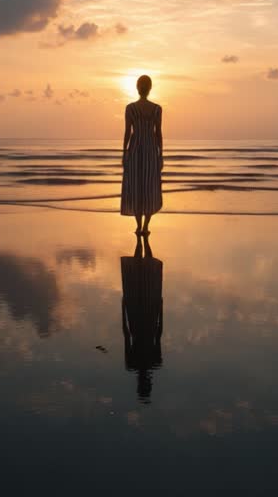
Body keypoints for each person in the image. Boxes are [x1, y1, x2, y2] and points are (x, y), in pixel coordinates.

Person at [121, 234, 163, 402]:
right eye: (147, 384)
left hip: (138, 317)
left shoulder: (133, 364)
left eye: (144, 384)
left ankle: (142, 240)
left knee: (145, 275)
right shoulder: (154, 362)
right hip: (146, 317)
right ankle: (143, 240)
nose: (145, 381)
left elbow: (126, 334)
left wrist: (123, 307)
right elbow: (158, 334)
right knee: (148, 275)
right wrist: (161, 308)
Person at [120, 74, 163, 234]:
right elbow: (158, 133)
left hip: (135, 150)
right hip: (151, 151)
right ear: (150, 88)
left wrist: (124, 153)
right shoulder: (157, 109)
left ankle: (139, 225)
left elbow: (127, 133)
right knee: (150, 187)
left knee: (136, 187)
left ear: (137, 88)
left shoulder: (130, 108)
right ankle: (145, 226)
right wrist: (161, 154)